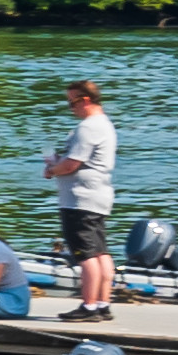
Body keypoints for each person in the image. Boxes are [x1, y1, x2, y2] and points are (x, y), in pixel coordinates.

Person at [44, 80, 119, 275]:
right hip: (97, 197)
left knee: (86, 257)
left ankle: (90, 304)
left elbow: (71, 165)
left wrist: (52, 170)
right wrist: (59, 163)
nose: (70, 108)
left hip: (79, 201)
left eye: (72, 102)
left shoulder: (88, 127)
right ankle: (101, 302)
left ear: (85, 100)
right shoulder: (104, 123)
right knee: (101, 253)